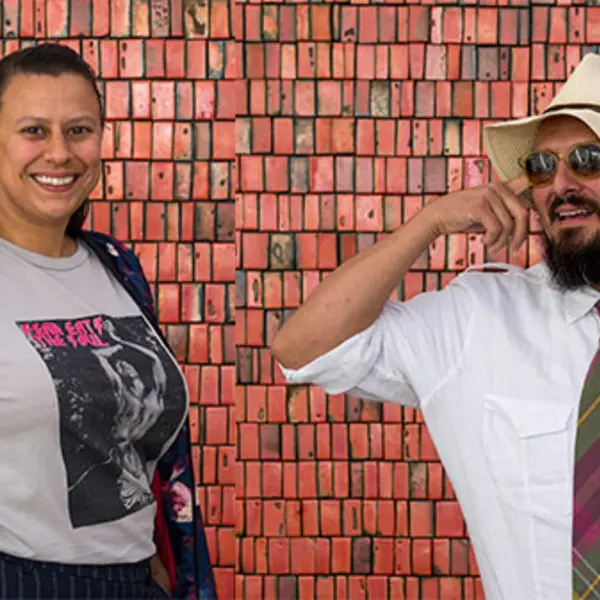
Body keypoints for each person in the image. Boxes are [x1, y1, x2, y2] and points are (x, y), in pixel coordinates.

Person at [272, 53, 600, 600]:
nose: (560, 184)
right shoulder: (479, 318)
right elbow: (303, 348)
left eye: (588, 159)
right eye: (541, 168)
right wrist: (427, 224)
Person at [0, 43, 216, 599]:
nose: (59, 153)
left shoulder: (116, 267)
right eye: (33, 131)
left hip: (134, 577)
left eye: (78, 130)